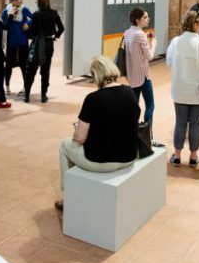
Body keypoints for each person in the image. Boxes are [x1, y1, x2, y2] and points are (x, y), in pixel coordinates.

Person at [54, 55, 140, 211]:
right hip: (128, 156)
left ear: (96, 75)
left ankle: (69, 196)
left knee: (64, 145)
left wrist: (78, 131)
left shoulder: (93, 99)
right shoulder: (130, 92)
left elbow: (80, 138)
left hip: (101, 160)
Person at [166, 11, 199, 168]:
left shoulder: (176, 41)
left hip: (179, 90)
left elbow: (169, 62)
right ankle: (193, 157)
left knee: (180, 122)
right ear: (195, 24)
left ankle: (177, 156)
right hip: (197, 91)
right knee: (195, 124)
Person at [24, 0, 65, 102]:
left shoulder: (36, 15)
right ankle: (43, 95)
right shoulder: (54, 13)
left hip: (37, 44)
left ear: (38, 3)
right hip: (48, 43)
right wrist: (55, 35)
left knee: (31, 70)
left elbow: (32, 31)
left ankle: (27, 95)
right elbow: (61, 28)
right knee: (45, 70)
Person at [123, 7, 158, 128]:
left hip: (132, 77)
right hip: (143, 76)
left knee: (134, 107)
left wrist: (146, 38)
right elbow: (149, 56)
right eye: (145, 17)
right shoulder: (140, 35)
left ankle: (133, 134)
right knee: (150, 105)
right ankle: (147, 134)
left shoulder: (127, 33)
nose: (148, 19)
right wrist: (153, 43)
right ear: (138, 20)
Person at [2, 0, 32, 97]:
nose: (21, 1)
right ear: (13, 0)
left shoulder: (24, 9)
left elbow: (33, 18)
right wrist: (10, 15)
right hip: (11, 43)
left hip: (23, 42)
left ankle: (25, 87)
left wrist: (27, 23)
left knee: (24, 65)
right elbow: (4, 26)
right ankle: (7, 87)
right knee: (8, 66)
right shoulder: (6, 11)